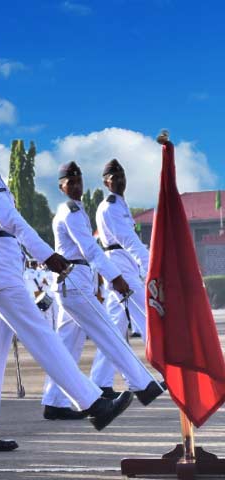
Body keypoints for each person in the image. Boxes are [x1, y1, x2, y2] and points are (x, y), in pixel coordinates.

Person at [0, 111, 133, 453]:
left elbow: (10, 225)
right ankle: (93, 404)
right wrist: (47, 255)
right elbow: (11, 220)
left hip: (3, 264)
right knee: (40, 335)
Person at [41, 161, 164, 420]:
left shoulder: (77, 210)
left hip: (75, 280)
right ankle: (143, 385)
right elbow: (90, 249)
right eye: (70, 183)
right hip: (74, 281)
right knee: (109, 331)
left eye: (79, 181)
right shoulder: (72, 211)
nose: (76, 186)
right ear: (61, 187)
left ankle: (54, 401)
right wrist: (115, 277)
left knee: (66, 346)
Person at [93, 158, 152, 393]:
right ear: (106, 183)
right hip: (120, 265)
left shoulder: (119, 204)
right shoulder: (110, 207)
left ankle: (101, 381)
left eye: (121, 176)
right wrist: (149, 265)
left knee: (115, 326)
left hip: (122, 262)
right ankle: (168, 367)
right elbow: (128, 240)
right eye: (114, 178)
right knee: (145, 314)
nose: (119, 181)